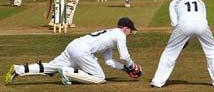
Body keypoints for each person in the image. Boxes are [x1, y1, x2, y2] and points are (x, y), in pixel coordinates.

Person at [5, 17, 141, 85]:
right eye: (131, 30)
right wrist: (131, 66)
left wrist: (125, 69)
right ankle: (67, 72)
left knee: (51, 67)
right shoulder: (120, 35)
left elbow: (109, 61)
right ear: (125, 28)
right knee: (100, 78)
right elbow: (124, 55)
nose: (130, 33)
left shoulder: (111, 34)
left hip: (74, 45)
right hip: (82, 51)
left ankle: (19, 69)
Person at [150, 0, 214, 88]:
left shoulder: (174, 2)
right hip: (203, 25)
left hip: (183, 24)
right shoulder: (200, 1)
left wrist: (183, 39)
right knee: (212, 51)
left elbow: (174, 23)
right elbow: (203, 18)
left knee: (169, 53)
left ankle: (157, 82)